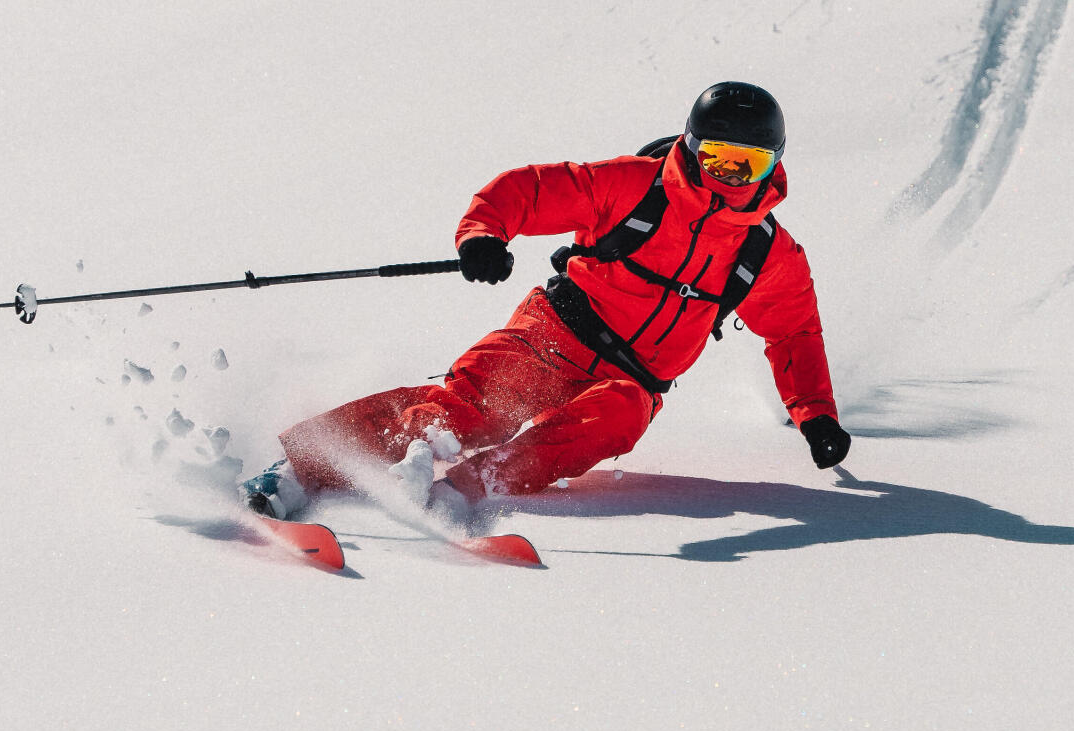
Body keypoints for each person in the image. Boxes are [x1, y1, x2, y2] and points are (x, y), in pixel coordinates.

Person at [243, 81, 850, 528]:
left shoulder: (768, 252)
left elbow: (795, 332)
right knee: (470, 410)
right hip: (557, 332)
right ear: (692, 147)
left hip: (632, 379)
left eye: (749, 164)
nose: (730, 177)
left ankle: (470, 486)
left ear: (775, 164)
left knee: (618, 418)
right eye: (718, 156)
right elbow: (529, 190)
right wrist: (484, 234)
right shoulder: (633, 186)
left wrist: (815, 415)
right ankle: (303, 466)